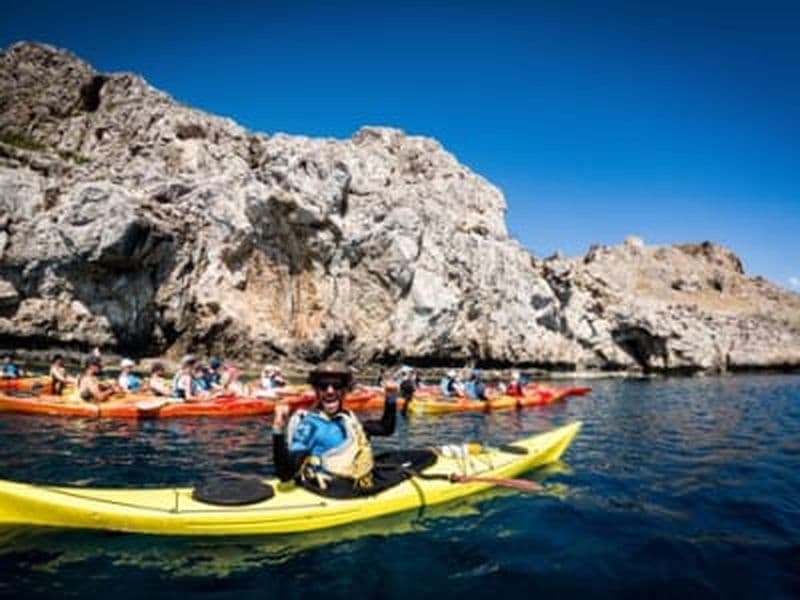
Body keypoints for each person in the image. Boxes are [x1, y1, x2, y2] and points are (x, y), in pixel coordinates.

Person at [272, 362, 399, 495]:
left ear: (345, 390)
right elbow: (285, 474)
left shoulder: (348, 417)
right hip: (331, 491)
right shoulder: (310, 426)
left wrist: (391, 397)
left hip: (358, 482)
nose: (330, 391)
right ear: (316, 390)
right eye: (323, 386)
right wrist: (278, 428)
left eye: (337, 385)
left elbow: (385, 429)